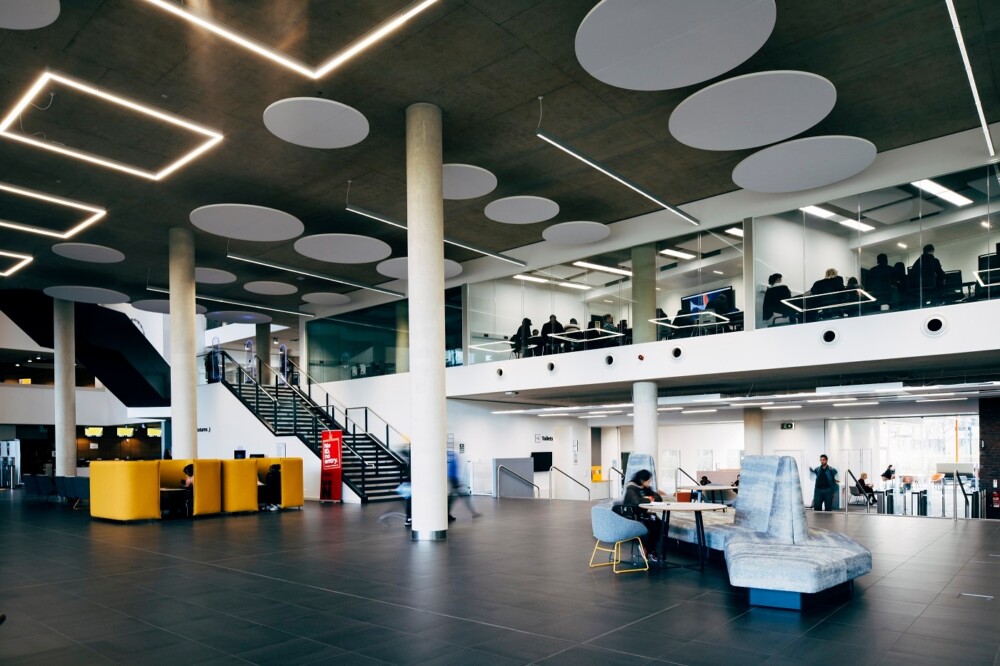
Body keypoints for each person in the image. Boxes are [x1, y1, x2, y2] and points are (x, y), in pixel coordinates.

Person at [622, 469, 664, 561]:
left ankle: (650, 549)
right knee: (654, 525)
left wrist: (650, 497)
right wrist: (649, 499)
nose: (649, 483)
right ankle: (649, 549)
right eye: (648, 481)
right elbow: (637, 501)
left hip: (643, 515)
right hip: (633, 517)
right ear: (642, 480)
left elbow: (659, 498)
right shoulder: (631, 489)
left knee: (662, 524)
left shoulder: (645, 488)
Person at [447, 450, 479, 521]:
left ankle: (448, 515)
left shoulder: (452, 455)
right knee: (462, 496)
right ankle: (473, 513)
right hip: (453, 479)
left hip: (453, 479)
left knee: (452, 498)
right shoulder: (452, 455)